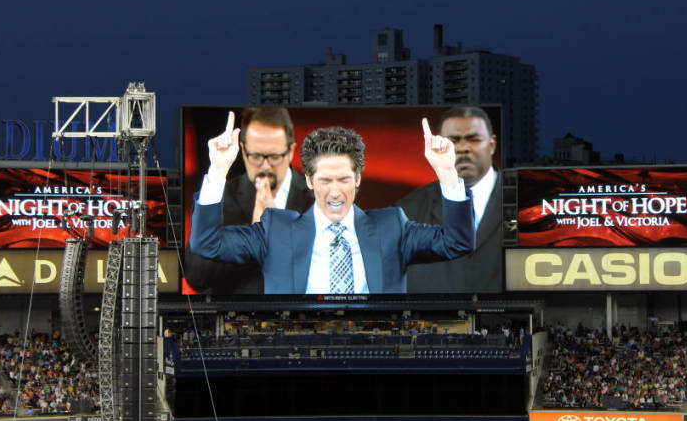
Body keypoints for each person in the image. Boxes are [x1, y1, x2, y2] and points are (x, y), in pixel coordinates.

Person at [189, 112, 475, 294]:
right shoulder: (275, 230)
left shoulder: (392, 226)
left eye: (344, 180)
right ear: (310, 181)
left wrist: (447, 172)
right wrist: (218, 169)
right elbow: (206, 244)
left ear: (358, 179)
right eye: (325, 181)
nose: (335, 192)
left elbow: (458, 242)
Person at [184, 107, 313, 294]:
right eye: (256, 156)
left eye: (275, 157)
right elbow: (196, 278)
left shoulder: (316, 199)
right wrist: (218, 171)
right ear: (243, 151)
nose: (265, 166)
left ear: (291, 151)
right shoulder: (220, 195)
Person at [397, 106, 502, 293]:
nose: (463, 148)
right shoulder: (408, 210)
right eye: (453, 140)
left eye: (474, 139)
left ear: (492, 144)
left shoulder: (528, 200)